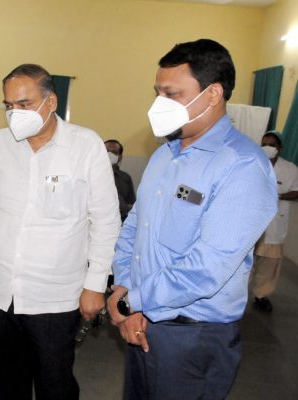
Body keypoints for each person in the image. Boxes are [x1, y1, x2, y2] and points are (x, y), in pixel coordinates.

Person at [107, 39, 278, 400]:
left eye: (171, 94)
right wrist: (125, 288)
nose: (159, 103)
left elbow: (207, 267)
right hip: (141, 317)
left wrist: (131, 301)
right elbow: (135, 228)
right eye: (157, 92)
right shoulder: (164, 155)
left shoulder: (242, 166)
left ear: (213, 93)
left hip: (192, 336)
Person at [0, 64, 121, 400]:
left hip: (55, 298)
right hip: (1, 293)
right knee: (7, 384)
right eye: (8, 105)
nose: (15, 113)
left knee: (54, 385)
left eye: (24, 104)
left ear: (51, 102)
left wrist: (95, 284)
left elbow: (106, 221)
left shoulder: (85, 145)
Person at [250, 131, 298, 312]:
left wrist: (278, 196)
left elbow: (297, 190)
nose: (267, 148)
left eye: (271, 145)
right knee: (242, 260)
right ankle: (232, 294)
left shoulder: (290, 169)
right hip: (251, 220)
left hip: (275, 221)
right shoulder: (252, 163)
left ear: (280, 147)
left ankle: (261, 295)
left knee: (269, 262)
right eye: (264, 144)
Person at [104, 139, 136, 222]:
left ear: (120, 157)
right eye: (106, 151)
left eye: (114, 152)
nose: (109, 154)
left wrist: (124, 208)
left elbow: (131, 203)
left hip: (120, 221)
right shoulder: (91, 175)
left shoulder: (125, 178)